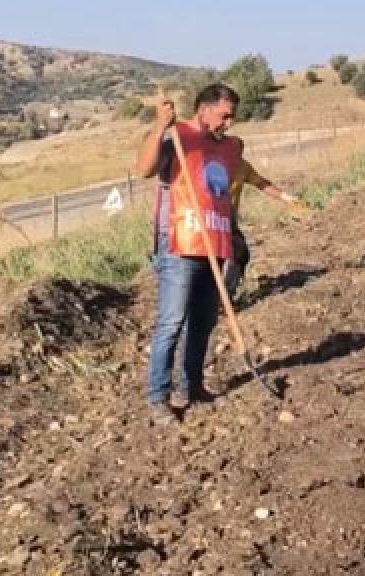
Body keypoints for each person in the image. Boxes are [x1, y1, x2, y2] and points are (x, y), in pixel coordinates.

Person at [134, 83, 241, 425]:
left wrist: (234, 236)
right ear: (204, 109)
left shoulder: (228, 149)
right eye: (224, 116)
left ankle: (191, 387)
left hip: (214, 243)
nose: (228, 123)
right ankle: (158, 397)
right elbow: (145, 169)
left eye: (232, 117)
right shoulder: (177, 137)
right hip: (178, 243)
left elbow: (223, 197)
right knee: (171, 322)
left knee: (203, 322)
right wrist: (158, 127)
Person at [223, 154, 306, 296]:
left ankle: (225, 294)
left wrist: (285, 197)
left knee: (240, 254)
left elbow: (261, 183)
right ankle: (218, 297)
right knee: (226, 255)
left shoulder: (242, 166)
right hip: (211, 217)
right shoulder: (214, 162)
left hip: (229, 220)